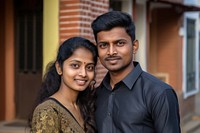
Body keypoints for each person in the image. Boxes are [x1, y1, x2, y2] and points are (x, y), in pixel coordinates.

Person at [91, 11, 181, 133]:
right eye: (103, 45)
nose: (111, 51)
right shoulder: (95, 95)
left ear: (134, 46)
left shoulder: (159, 93)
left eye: (120, 43)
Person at [29, 37, 98, 133]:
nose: (83, 73)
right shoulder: (48, 111)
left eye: (89, 67)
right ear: (59, 68)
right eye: (75, 65)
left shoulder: (85, 105)